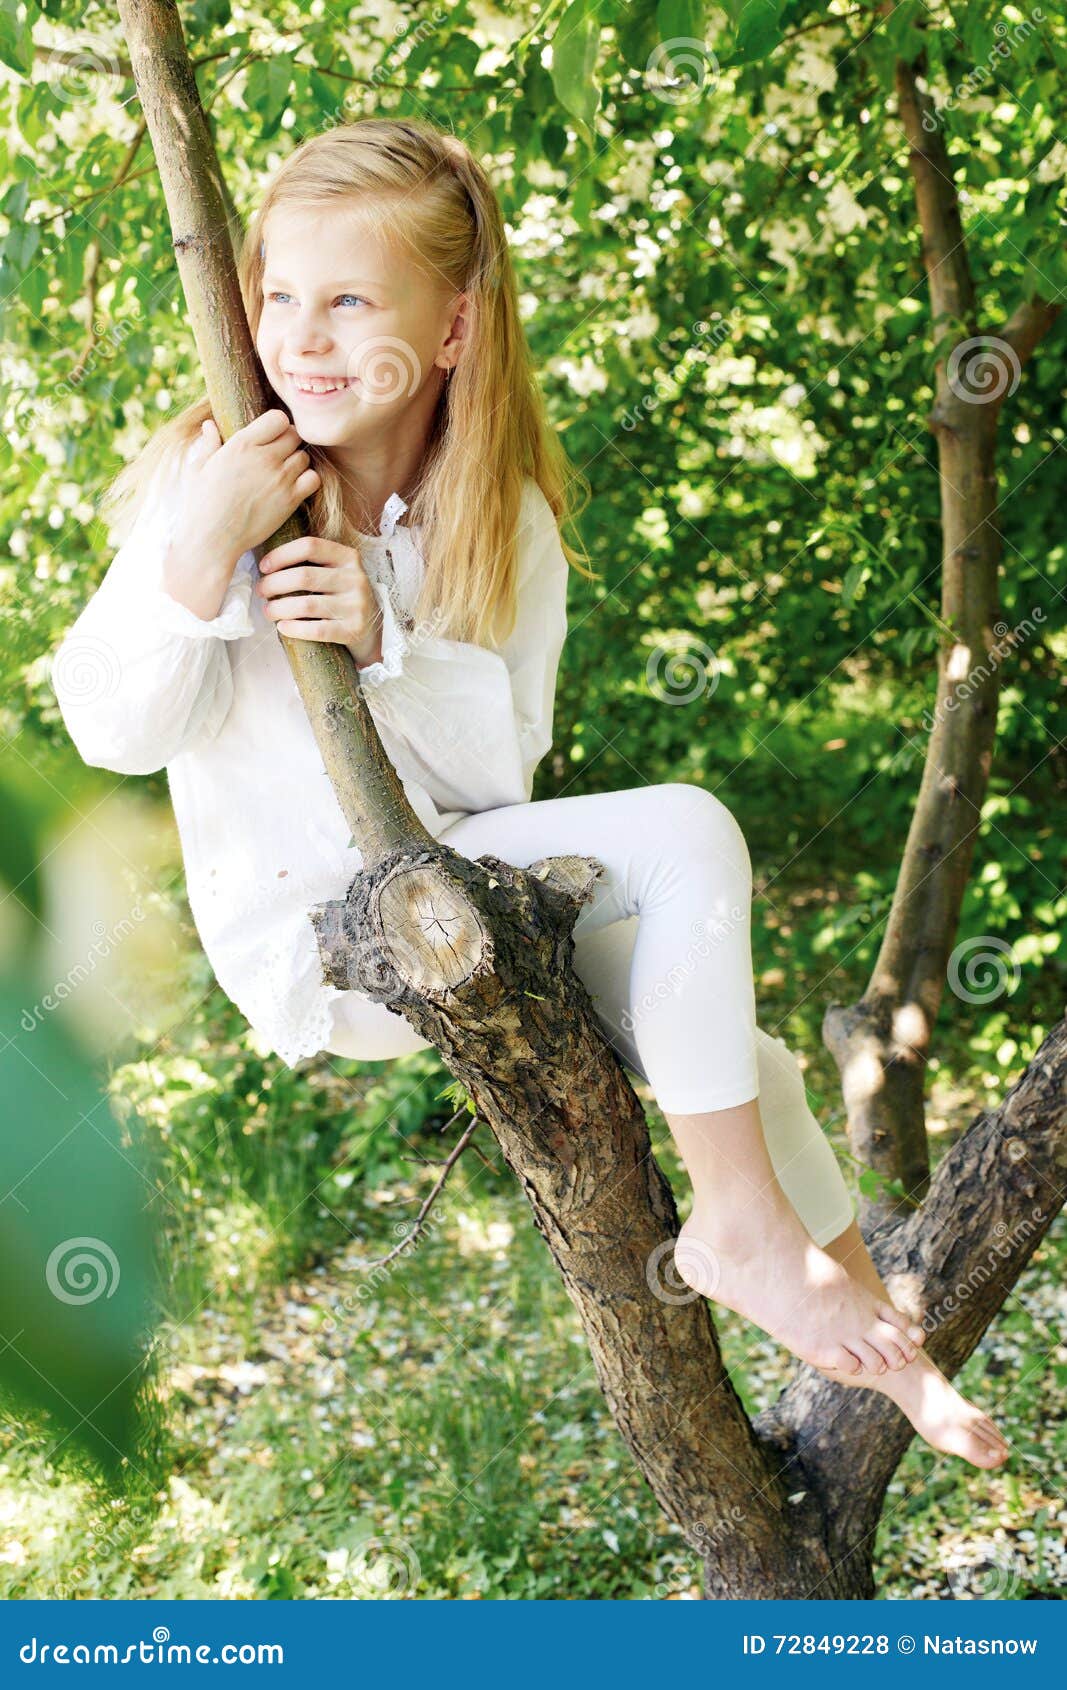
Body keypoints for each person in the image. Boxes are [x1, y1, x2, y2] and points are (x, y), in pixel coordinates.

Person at [51, 118, 1006, 1469]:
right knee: (686, 830)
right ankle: (736, 1234)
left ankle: (886, 1347)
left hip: (470, 889)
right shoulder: (209, 487)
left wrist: (389, 648)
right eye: (275, 294)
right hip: (323, 944)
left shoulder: (505, 522)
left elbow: (499, 783)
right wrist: (200, 552)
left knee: (754, 1072)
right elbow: (105, 729)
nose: (299, 337)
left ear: (448, 333)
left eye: (347, 301)